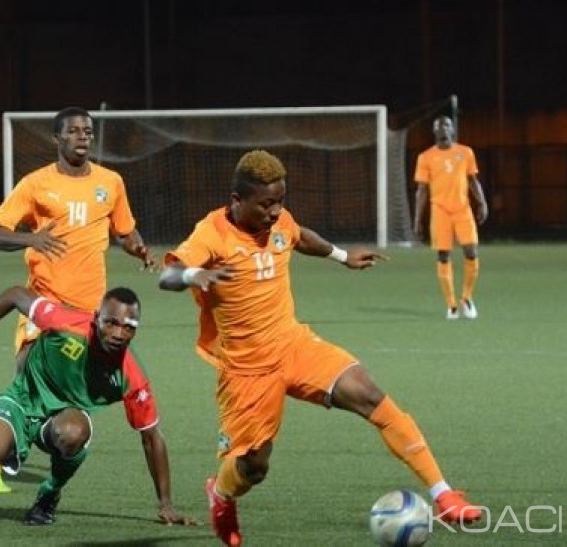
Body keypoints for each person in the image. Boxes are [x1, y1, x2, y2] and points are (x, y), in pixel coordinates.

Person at [159, 150, 482, 546]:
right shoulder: (212, 233)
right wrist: (196, 273)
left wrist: (343, 257)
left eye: (279, 200)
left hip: (294, 345)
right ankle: (221, 493)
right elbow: (168, 275)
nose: (275, 211)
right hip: (247, 370)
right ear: (237, 200)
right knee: (254, 466)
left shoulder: (280, 220)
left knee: (371, 396)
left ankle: (444, 495)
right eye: (265, 204)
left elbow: (299, 235)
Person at [0, 285, 198, 528]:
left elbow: (151, 437)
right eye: (112, 322)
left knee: (73, 432)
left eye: (129, 327)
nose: (119, 333)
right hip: (22, 399)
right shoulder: (65, 322)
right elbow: (15, 295)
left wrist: (166, 504)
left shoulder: (132, 376)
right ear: (97, 318)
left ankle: (49, 494)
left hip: (64, 416)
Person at [0, 105, 156, 493]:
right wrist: (32, 238)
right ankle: (2, 456)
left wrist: (138, 249)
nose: (82, 136)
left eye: (87, 131)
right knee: (26, 371)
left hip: (91, 314)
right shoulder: (35, 184)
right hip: (43, 301)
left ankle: (57, 452)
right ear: (57, 138)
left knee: (72, 397)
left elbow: (125, 232)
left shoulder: (111, 182)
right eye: (74, 131)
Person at [412, 115, 488, 320]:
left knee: (471, 251)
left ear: (452, 129)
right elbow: (421, 191)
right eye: (438, 126)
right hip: (440, 211)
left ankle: (467, 298)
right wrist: (417, 220)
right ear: (434, 131)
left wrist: (482, 202)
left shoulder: (465, 153)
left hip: (463, 209)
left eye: (446, 125)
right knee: (443, 255)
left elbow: (473, 180)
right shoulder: (425, 157)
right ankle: (451, 304)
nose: (443, 129)